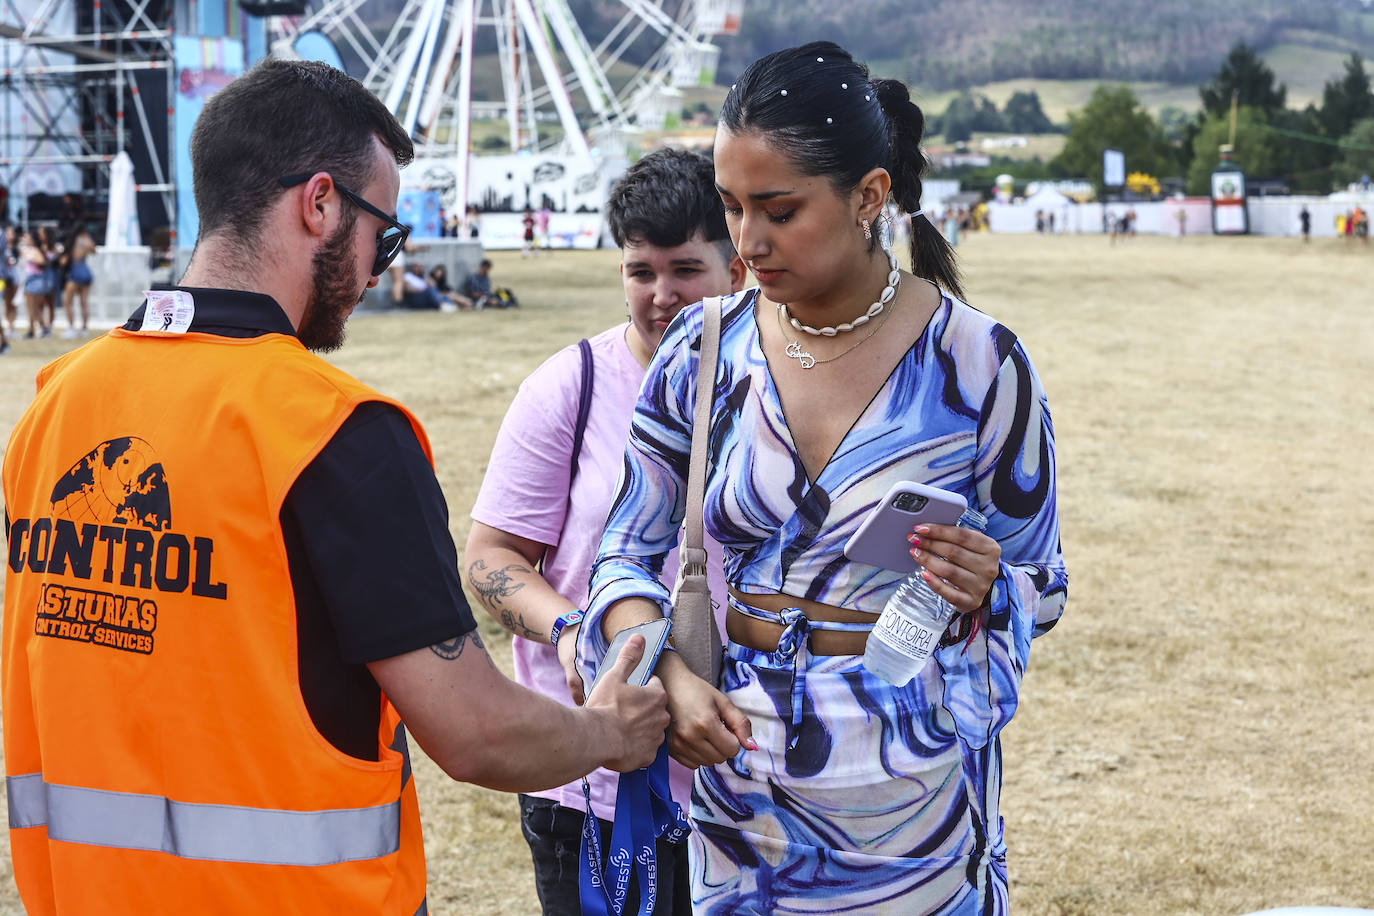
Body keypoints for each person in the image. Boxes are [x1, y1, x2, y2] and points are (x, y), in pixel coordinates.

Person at [1, 58, 669, 915]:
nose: (377, 269)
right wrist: (609, 731)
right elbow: (474, 732)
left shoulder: (55, 404)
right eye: (382, 236)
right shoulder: (335, 431)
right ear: (319, 204)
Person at [579, 41, 1066, 914]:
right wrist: (667, 673)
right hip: (737, 786)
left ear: (869, 196)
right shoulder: (703, 349)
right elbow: (622, 549)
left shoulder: (979, 364)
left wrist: (989, 582)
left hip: (911, 794)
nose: (747, 242)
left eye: (779, 209)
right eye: (731, 208)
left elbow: (1045, 582)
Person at [466, 147, 746, 916]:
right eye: (639, 272)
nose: (660, 296)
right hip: (591, 785)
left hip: (755, 782)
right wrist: (567, 629)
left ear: (739, 271)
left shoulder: (784, 393)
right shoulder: (571, 387)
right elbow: (491, 556)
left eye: (686, 270)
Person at [60, 226, 95, 337]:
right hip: (85, 270)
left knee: (67, 301)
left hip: (76, 271)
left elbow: (63, 262)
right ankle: (84, 328)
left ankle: (71, 328)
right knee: (84, 302)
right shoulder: (85, 240)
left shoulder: (73, 241)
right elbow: (93, 250)